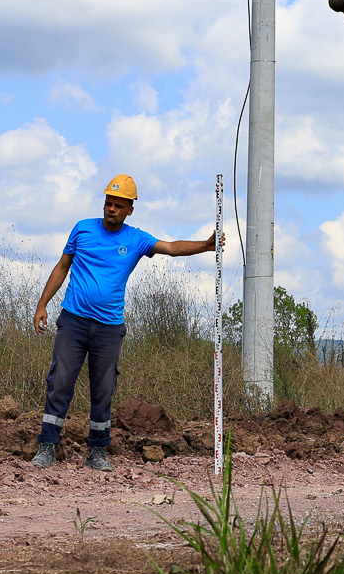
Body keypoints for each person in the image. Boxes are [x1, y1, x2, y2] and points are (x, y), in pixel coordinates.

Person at [30, 174, 220, 470]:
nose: (112, 209)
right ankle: (47, 446)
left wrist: (206, 246)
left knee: (103, 389)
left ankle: (97, 451)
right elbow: (62, 266)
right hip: (73, 321)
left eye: (119, 205)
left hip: (109, 327)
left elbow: (171, 248)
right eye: (109, 203)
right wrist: (42, 304)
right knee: (60, 382)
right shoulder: (82, 229)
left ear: (130, 210)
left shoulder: (136, 239)